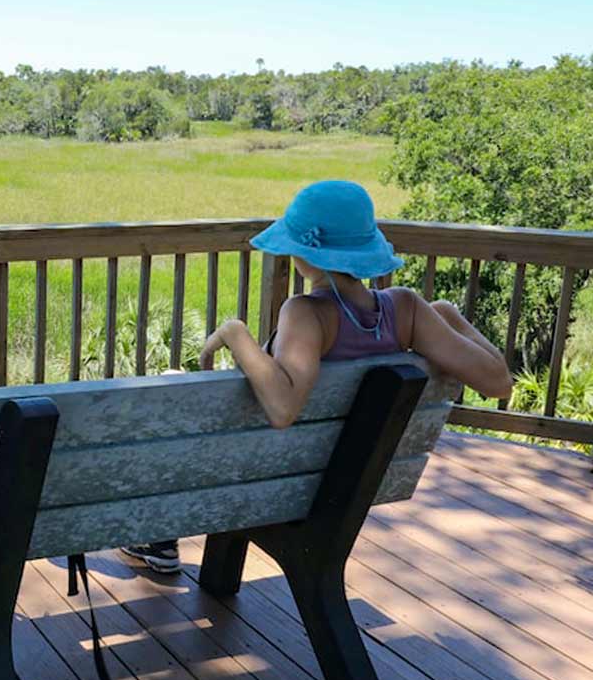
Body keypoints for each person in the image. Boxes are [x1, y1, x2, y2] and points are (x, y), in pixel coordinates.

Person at [122, 180, 513, 574]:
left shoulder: (306, 314)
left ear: (307, 254)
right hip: (343, 483)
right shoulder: (408, 310)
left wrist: (234, 334)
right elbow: (499, 382)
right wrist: (448, 314)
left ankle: (158, 537)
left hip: (269, 482)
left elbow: (282, 409)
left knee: (174, 391)